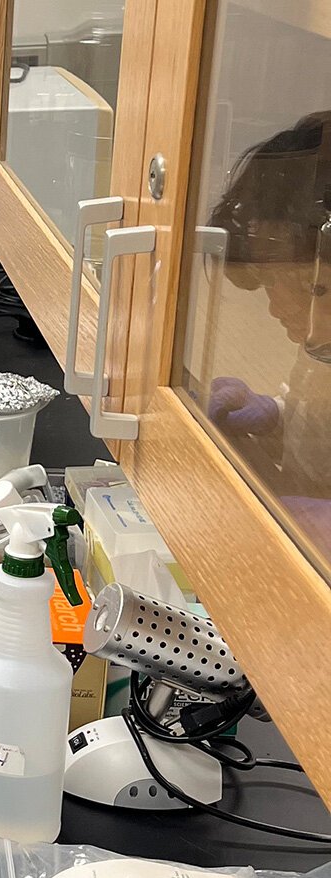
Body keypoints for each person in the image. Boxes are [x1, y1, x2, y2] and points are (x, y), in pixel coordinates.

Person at [202, 111, 331, 550]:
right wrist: (277, 416)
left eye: (301, 282)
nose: (276, 307)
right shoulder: (321, 344)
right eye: (267, 279)